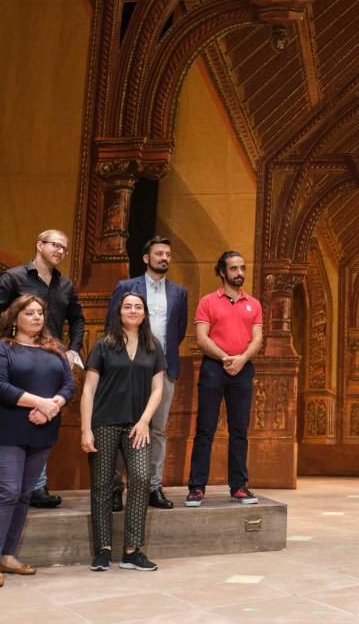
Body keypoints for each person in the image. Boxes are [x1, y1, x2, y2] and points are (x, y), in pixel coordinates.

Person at [0, 229, 85, 515]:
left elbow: (78, 320)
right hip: (17, 358)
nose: (60, 251)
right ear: (39, 245)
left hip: (48, 360)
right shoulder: (15, 277)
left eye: (64, 248)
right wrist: (8, 343)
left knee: (43, 415)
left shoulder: (65, 285)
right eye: (55, 245)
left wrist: (71, 350)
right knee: (6, 418)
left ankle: (36, 485)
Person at [0, 295, 75, 588]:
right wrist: (42, 403)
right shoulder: (2, 349)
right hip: (8, 428)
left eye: (40, 313)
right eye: (29, 313)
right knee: (6, 490)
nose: (36, 317)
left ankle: (8, 556)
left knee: (23, 494)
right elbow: (1, 386)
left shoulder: (55, 348)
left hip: (42, 428)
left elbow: (68, 384)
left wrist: (52, 406)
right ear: (15, 317)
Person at [81, 292, 165, 572]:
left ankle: (132, 550)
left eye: (138, 307)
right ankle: (103, 550)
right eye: (127, 306)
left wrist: (144, 421)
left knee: (141, 479)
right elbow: (89, 389)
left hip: (137, 425)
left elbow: (158, 390)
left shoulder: (153, 346)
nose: (132, 310)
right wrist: (85, 429)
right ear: (119, 312)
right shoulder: (104, 344)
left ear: (144, 313)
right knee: (102, 485)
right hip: (104, 422)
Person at [107, 236, 189, 510]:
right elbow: (112, 325)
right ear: (146, 258)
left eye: (167, 254)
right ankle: (116, 488)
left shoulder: (179, 293)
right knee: (121, 427)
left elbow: (178, 330)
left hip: (162, 369)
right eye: (158, 253)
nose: (164, 258)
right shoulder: (126, 287)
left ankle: (153, 487)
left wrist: (158, 359)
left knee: (157, 431)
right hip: (126, 368)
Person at [184, 251, 263, 508]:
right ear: (222, 272)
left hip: (243, 368)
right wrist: (226, 357)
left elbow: (257, 339)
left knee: (239, 430)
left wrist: (241, 359)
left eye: (242, 268)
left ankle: (239, 487)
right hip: (214, 368)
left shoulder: (254, 304)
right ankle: (197, 488)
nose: (239, 273)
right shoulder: (208, 301)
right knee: (205, 428)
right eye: (234, 269)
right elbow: (202, 338)